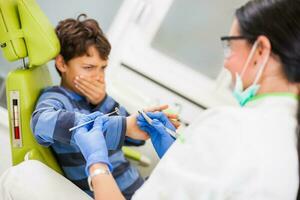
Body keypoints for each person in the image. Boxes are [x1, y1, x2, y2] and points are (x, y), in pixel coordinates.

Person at [74, 0, 300, 199]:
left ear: (260, 51)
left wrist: (97, 164)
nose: (226, 63)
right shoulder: (287, 143)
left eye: (229, 46)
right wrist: (178, 154)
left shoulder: (230, 127)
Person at [29, 14, 174, 199]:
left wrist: (103, 101)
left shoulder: (97, 99)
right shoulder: (56, 98)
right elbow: (40, 122)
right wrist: (120, 126)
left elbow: (136, 139)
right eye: (89, 67)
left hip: (138, 188)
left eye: (103, 68)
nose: (99, 77)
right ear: (62, 63)